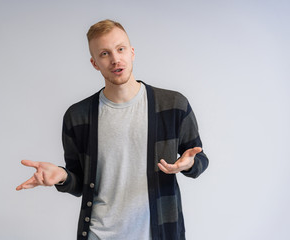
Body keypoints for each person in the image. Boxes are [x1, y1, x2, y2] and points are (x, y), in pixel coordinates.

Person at [16, 19, 209, 240]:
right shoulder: (77, 117)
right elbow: (80, 182)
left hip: (159, 233)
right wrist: (61, 176)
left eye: (120, 49)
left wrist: (190, 163)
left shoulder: (173, 105)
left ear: (132, 52)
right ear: (94, 63)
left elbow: (200, 158)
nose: (115, 59)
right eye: (105, 53)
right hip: (99, 234)